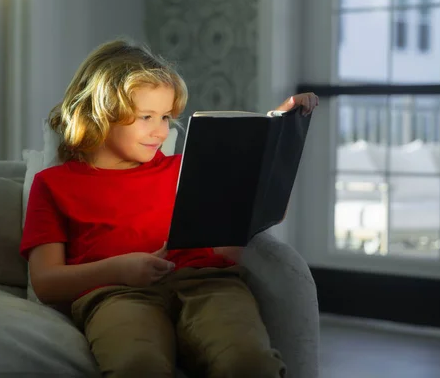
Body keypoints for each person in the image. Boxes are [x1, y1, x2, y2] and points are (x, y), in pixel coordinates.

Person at [20, 39, 319, 378]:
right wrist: (119, 270)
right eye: (145, 117)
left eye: (165, 117)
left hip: (208, 284)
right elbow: (45, 282)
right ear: (97, 113)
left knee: (250, 363)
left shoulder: (188, 167)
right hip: (117, 295)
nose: (160, 131)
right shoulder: (54, 184)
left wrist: (278, 132)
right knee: (138, 367)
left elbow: (248, 205)